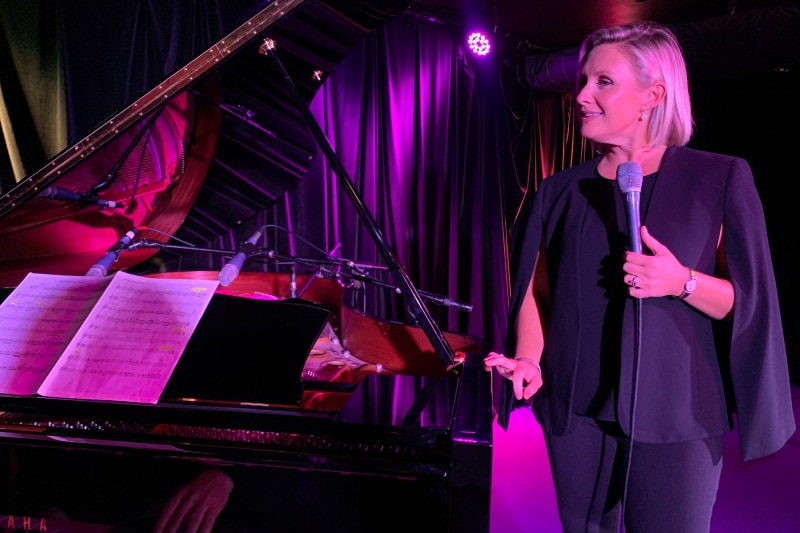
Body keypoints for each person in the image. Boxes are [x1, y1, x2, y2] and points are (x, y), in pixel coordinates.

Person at [483, 20, 795, 533]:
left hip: (680, 418)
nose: (581, 94)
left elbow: (745, 302)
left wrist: (682, 281)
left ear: (653, 95)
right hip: (577, 416)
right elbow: (536, 294)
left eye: (603, 82)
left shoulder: (718, 178)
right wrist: (529, 360)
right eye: (583, 80)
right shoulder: (558, 192)